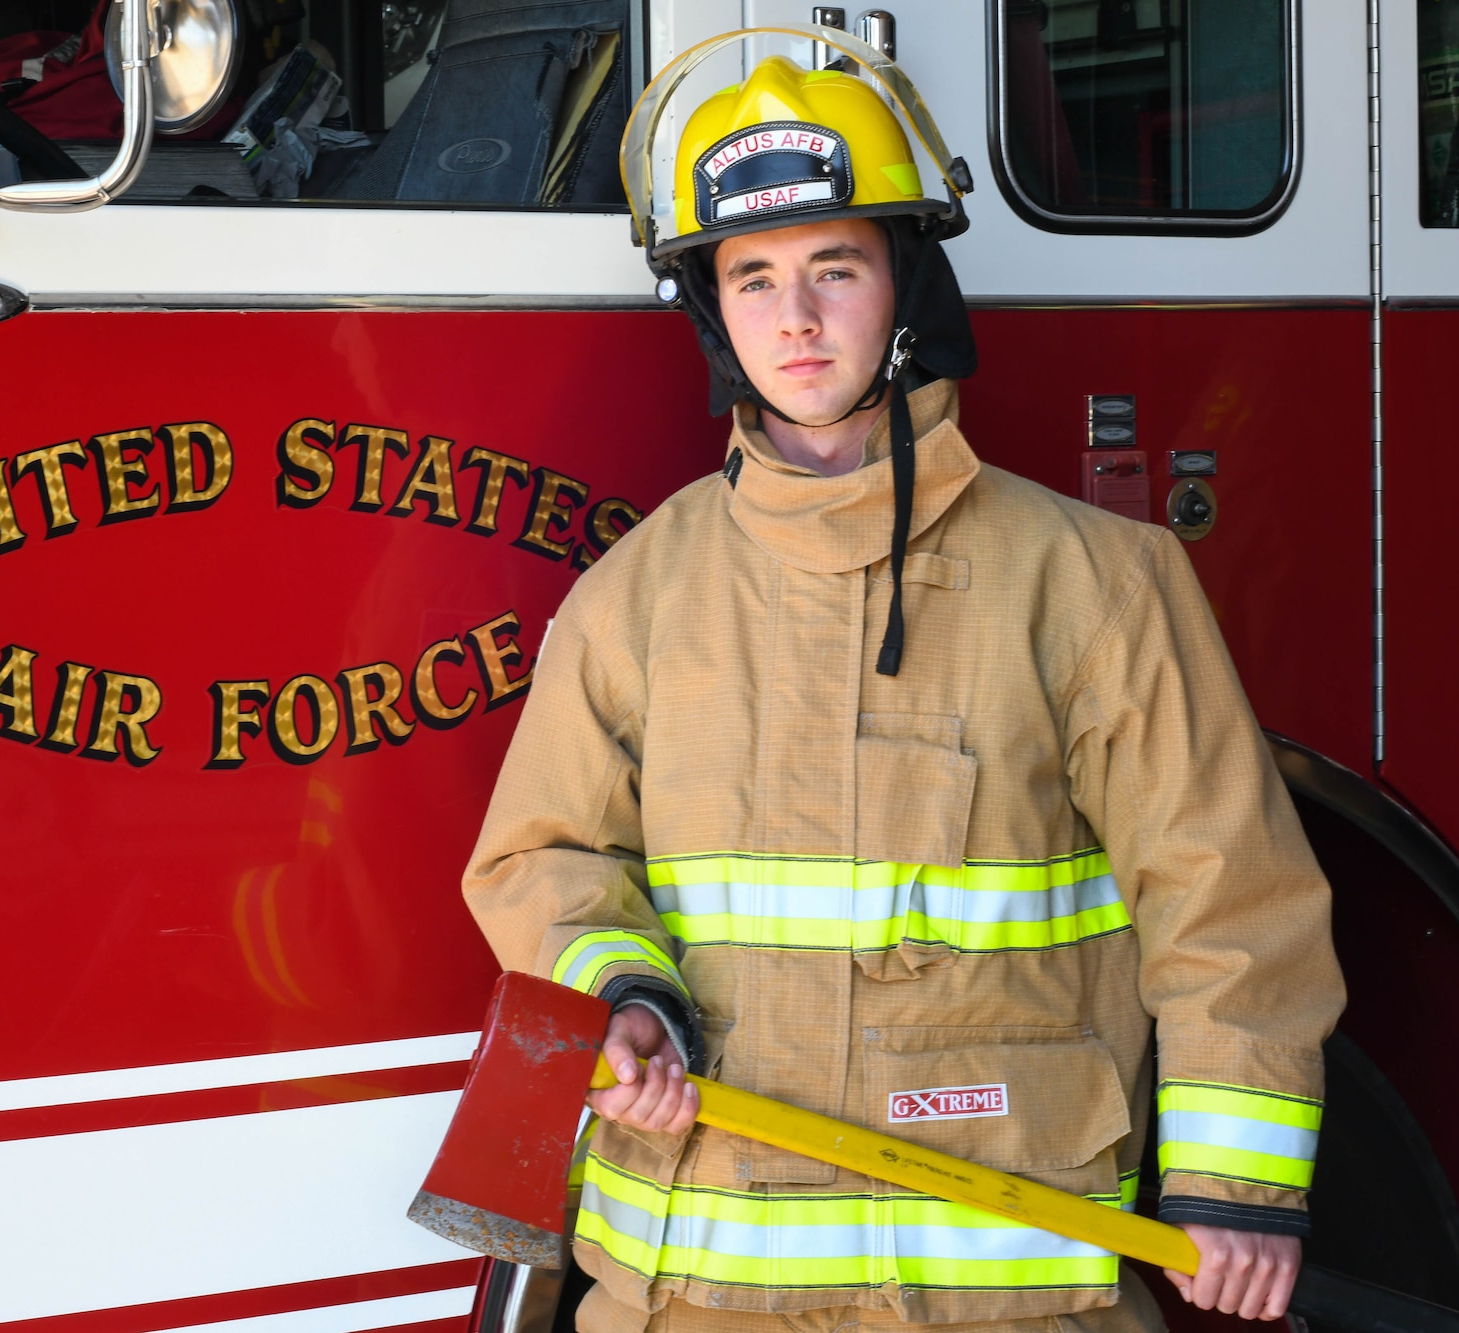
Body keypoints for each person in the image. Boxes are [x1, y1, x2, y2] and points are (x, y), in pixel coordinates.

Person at [461, 30, 1343, 1333]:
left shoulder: (1094, 582)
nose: (798, 320)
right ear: (713, 310)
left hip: (1011, 1298)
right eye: (753, 278)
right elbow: (540, 856)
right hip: (706, 1299)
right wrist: (622, 996)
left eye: (836, 268)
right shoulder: (637, 597)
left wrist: (1237, 1189)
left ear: (908, 284)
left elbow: (1229, 898)